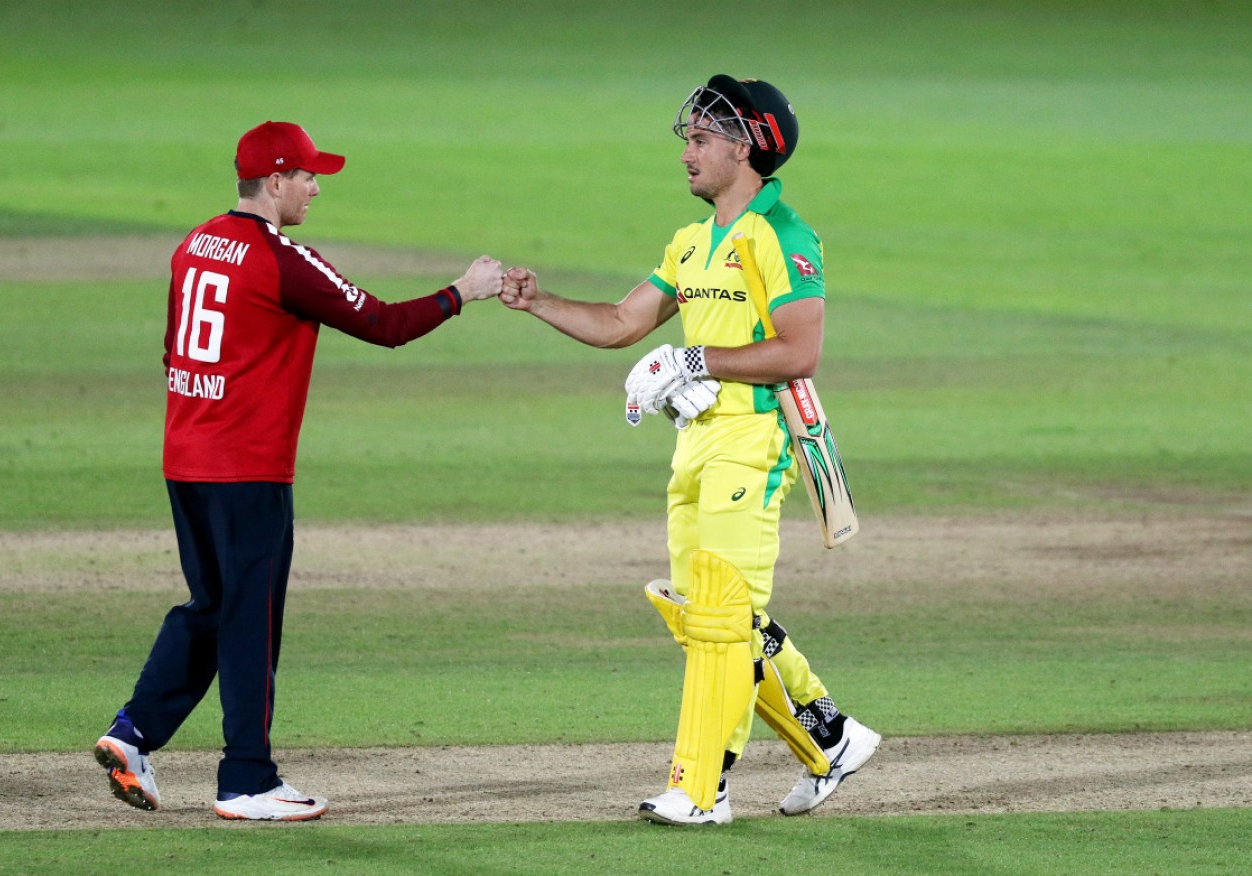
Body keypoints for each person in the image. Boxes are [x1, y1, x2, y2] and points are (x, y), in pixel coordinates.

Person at [93, 120, 503, 821]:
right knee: (249, 620)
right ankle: (246, 780)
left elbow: (172, 353)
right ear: (275, 181)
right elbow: (382, 324)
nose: (316, 187)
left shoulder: (194, 243)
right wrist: (464, 290)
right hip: (247, 469)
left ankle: (132, 735)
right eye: (308, 175)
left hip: (186, 456)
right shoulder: (279, 257)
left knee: (212, 607)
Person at [500, 76, 879, 825]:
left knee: (720, 621)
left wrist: (696, 361)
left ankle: (702, 788)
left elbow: (799, 351)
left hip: (754, 443)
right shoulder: (691, 243)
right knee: (706, 618)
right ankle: (828, 737)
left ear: (746, 147)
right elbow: (618, 321)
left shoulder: (783, 236)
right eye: (687, 138)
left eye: (701, 138)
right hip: (695, 446)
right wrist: (537, 301)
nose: (686, 153)